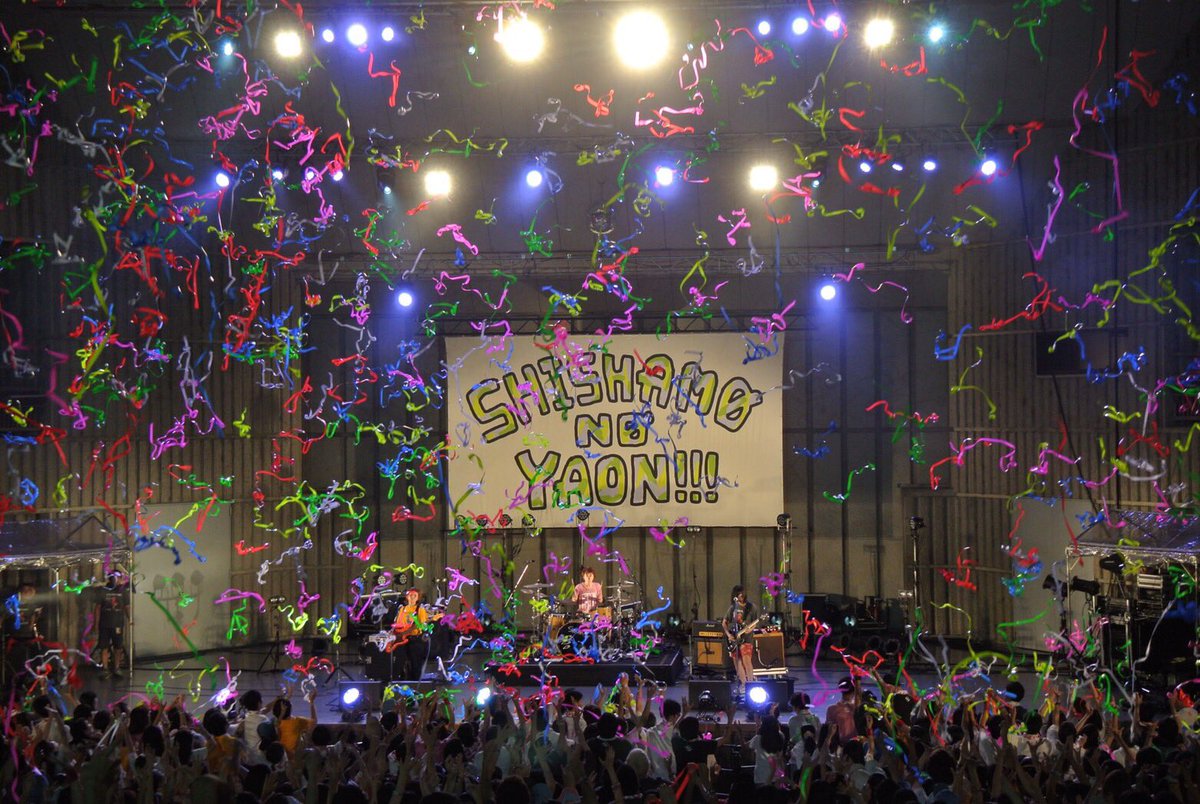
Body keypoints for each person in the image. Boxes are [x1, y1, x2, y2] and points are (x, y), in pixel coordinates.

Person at [720, 585, 758, 700]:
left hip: (746, 639)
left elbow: (755, 622)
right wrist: (728, 635)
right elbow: (724, 622)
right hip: (735, 639)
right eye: (738, 594)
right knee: (738, 662)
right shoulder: (733, 608)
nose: (741, 596)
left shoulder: (751, 607)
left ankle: (751, 684)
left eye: (742, 593)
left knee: (747, 661)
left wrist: (750, 629)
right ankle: (743, 684)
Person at [390, 587, 429, 680]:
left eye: (415, 595)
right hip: (402, 640)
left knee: (415, 663)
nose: (412, 597)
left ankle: (415, 681)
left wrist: (405, 632)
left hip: (414, 640)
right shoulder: (402, 609)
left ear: (418, 598)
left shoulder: (420, 610)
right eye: (410, 595)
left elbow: (419, 625)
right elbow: (398, 623)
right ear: (407, 597)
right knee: (401, 661)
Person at [94, 576, 128, 679]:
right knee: (104, 647)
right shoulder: (103, 591)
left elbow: (126, 606)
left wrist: (130, 619)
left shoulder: (123, 591)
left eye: (117, 578)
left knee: (118, 647)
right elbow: (98, 608)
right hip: (104, 624)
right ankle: (105, 668)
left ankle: (117, 668)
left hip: (117, 624)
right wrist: (96, 624)